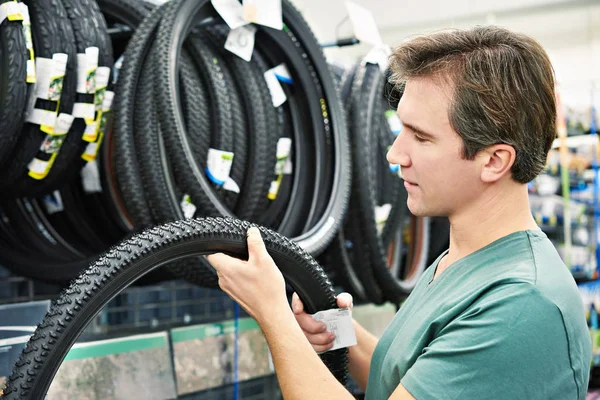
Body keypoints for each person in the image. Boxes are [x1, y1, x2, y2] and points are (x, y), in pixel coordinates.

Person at [207, 25, 592, 399]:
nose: (394, 155)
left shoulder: (520, 304)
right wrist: (336, 330)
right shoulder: (466, 259)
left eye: (421, 137)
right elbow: (414, 376)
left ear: (494, 161)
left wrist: (272, 313)